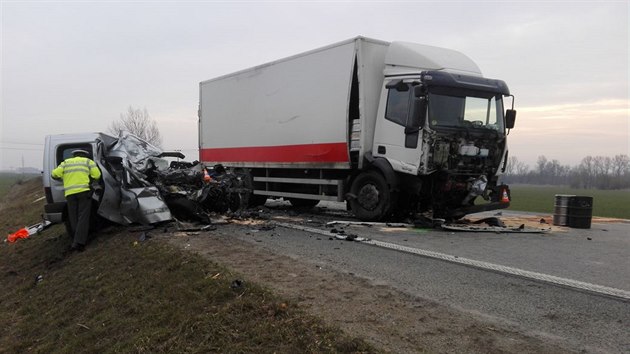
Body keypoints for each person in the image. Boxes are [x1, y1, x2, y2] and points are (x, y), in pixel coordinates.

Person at [51, 149, 101, 252]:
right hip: (83, 192)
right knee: (83, 217)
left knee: (73, 218)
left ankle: (75, 240)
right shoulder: (88, 162)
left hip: (70, 194)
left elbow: (54, 174)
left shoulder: (66, 162)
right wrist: (90, 180)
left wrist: (63, 179)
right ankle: (79, 243)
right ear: (85, 155)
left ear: (74, 155)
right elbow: (97, 175)